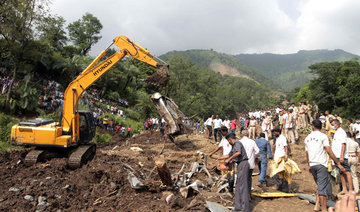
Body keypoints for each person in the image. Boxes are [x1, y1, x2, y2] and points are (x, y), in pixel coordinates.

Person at [305, 120, 345, 212]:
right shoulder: (323, 136)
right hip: (321, 164)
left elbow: (307, 153)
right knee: (322, 188)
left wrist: (309, 165)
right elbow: (328, 150)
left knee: (320, 185)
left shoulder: (307, 138)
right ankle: (324, 209)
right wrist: (337, 163)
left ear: (313, 127)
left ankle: (317, 205)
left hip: (312, 164)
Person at [218, 133, 250, 212]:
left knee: (243, 186)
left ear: (229, 139)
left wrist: (229, 160)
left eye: (228, 141)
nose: (228, 143)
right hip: (239, 165)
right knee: (238, 185)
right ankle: (238, 206)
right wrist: (218, 158)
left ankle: (245, 209)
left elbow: (238, 153)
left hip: (243, 164)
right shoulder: (233, 146)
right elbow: (228, 155)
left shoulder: (237, 143)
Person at [209, 126, 234, 193]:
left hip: (230, 158)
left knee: (230, 173)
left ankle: (230, 187)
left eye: (221, 132)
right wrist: (212, 153)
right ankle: (224, 187)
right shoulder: (223, 139)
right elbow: (219, 147)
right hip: (224, 158)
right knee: (224, 172)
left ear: (225, 131)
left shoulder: (230, 138)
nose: (221, 134)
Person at [331, 119, 353, 194]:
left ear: (337, 124)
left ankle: (350, 189)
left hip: (341, 155)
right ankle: (344, 189)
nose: (332, 126)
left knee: (346, 171)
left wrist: (342, 156)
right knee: (341, 172)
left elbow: (343, 144)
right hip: (336, 155)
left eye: (333, 124)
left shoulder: (341, 132)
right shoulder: (336, 132)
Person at [240, 129, 260, 196]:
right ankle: (249, 194)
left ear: (242, 134)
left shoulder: (240, 142)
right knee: (249, 178)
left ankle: (243, 194)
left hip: (242, 163)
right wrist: (255, 157)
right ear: (248, 134)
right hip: (250, 163)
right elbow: (257, 151)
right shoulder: (252, 142)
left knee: (243, 178)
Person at [272, 127, 289, 193]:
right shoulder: (276, 139)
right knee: (276, 173)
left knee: (283, 173)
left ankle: (284, 188)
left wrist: (286, 155)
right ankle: (279, 185)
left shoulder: (282, 138)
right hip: (276, 158)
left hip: (281, 158)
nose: (274, 133)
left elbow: (286, 146)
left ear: (278, 132)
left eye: (274, 132)